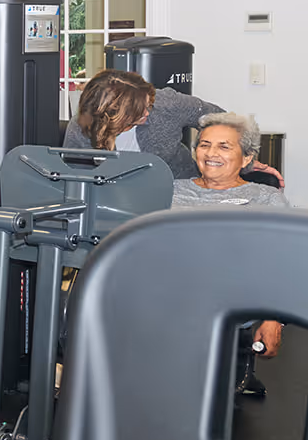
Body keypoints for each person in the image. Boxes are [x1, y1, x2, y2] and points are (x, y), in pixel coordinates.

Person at [171, 113, 290, 378]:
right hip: (164, 309)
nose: (211, 153)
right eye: (204, 144)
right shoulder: (169, 189)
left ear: (247, 158)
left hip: (228, 318)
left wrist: (274, 319)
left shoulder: (265, 199)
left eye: (224, 146)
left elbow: (285, 262)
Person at [63, 69, 280, 184]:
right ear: (114, 114)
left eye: (149, 104)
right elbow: (73, 178)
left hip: (179, 192)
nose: (148, 112)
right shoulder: (82, 128)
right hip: (118, 202)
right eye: (140, 110)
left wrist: (245, 162)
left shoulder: (167, 104)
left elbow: (225, 124)